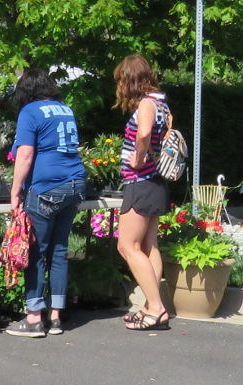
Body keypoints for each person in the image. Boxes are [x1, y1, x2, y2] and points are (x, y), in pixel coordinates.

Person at [5, 68, 86, 338]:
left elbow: (25, 154)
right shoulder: (65, 109)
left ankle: (33, 318)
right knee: (59, 250)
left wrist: (15, 192)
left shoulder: (30, 112)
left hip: (47, 187)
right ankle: (56, 317)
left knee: (37, 251)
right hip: (74, 184)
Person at [113, 54, 170, 330]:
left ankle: (156, 307)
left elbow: (144, 134)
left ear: (130, 80)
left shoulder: (147, 104)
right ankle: (151, 305)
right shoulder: (162, 103)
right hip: (156, 182)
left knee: (127, 246)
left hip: (140, 182)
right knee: (149, 247)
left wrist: (138, 156)